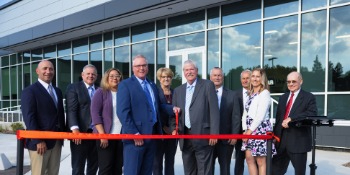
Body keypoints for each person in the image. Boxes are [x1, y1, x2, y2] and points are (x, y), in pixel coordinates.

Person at [117, 55, 175, 175]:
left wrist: (172, 108)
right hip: (135, 138)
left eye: (144, 65)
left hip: (152, 137)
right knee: (132, 172)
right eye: (138, 66)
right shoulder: (125, 85)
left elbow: (157, 107)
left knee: (147, 172)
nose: (141, 68)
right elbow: (122, 112)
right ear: (133, 68)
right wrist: (134, 133)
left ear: (148, 68)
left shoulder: (152, 85)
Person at [171, 59, 220, 175]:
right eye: (186, 70)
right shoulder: (178, 90)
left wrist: (214, 133)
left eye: (191, 69)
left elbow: (214, 111)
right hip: (185, 136)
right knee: (189, 171)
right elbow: (174, 114)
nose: (189, 72)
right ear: (183, 72)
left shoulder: (207, 85)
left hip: (204, 135)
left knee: (204, 171)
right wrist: (174, 128)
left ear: (196, 70)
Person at [21, 60, 65, 175]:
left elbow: (59, 114)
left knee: (53, 173)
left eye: (51, 69)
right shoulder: (30, 91)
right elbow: (29, 117)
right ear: (37, 71)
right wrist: (38, 140)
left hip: (56, 142)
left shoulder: (58, 91)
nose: (48, 71)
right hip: (40, 144)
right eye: (45, 68)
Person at [272, 71, 317, 175]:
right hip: (281, 142)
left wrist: (292, 118)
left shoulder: (308, 97)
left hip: (298, 142)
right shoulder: (283, 97)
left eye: (294, 81)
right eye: (288, 82)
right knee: (274, 171)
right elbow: (279, 119)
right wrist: (275, 136)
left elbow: (311, 114)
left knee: (299, 172)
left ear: (301, 81)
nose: (291, 84)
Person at [241, 68, 276, 175]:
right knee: (249, 158)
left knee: (260, 161)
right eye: (253, 76)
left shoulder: (264, 93)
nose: (254, 79)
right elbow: (246, 114)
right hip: (250, 128)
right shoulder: (251, 93)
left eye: (257, 76)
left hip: (260, 128)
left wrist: (249, 132)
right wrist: (246, 130)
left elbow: (260, 116)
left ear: (262, 79)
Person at [65, 64, 98, 175]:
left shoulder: (100, 89)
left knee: (93, 165)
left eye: (93, 74)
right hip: (80, 133)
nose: (90, 76)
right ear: (82, 75)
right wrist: (75, 130)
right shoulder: (74, 88)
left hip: (96, 134)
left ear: (97, 76)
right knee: (78, 167)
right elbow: (71, 110)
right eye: (88, 74)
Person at [91, 68, 124, 175]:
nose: (115, 78)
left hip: (121, 136)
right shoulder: (100, 92)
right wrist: (102, 135)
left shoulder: (123, 93)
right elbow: (95, 114)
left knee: (118, 167)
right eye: (112, 76)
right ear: (106, 78)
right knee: (106, 168)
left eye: (117, 76)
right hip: (105, 136)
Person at [210, 67, 241, 175]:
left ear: (223, 77)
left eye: (219, 75)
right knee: (208, 169)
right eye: (215, 75)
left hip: (227, 139)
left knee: (225, 169)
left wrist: (234, 135)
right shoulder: (204, 94)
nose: (217, 77)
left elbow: (236, 117)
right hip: (209, 139)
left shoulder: (232, 95)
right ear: (210, 77)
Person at [153, 67, 178, 175]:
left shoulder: (176, 92)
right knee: (157, 162)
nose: (166, 79)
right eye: (163, 77)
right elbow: (156, 108)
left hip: (173, 132)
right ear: (159, 78)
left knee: (170, 160)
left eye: (168, 77)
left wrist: (174, 129)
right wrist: (163, 127)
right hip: (159, 131)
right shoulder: (155, 92)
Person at [234, 69, 251, 175]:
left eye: (247, 78)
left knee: (254, 159)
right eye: (243, 78)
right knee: (239, 159)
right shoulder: (234, 94)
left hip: (255, 131)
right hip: (239, 130)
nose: (245, 80)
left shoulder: (259, 93)